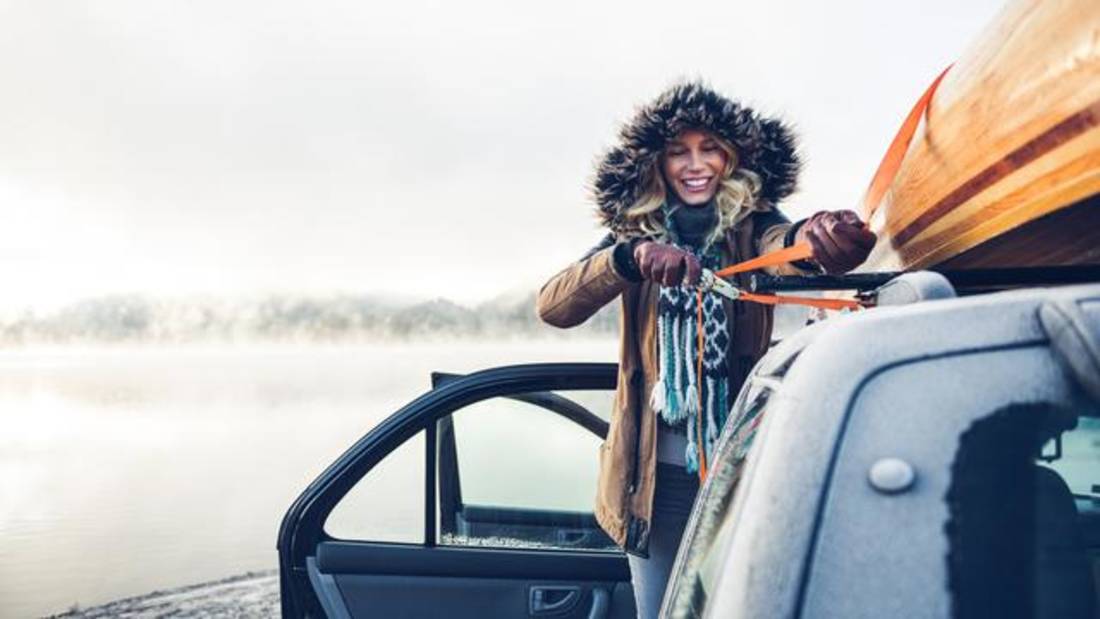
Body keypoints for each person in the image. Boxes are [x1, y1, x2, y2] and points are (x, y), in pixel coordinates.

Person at [536, 81, 876, 618]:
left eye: (710, 149)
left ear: (732, 159)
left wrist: (820, 239)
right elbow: (554, 306)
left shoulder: (755, 224)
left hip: (741, 468)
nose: (696, 165)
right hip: (652, 486)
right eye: (679, 151)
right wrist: (630, 258)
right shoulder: (631, 233)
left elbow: (787, 249)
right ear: (657, 163)